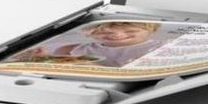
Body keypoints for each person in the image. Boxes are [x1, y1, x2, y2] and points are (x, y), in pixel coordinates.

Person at [10, 21, 162, 67]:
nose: (118, 36)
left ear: (152, 30)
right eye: (106, 33)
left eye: (131, 31)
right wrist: (41, 57)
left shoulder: (160, 46)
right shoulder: (71, 49)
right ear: (90, 33)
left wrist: (92, 66)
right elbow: (55, 64)